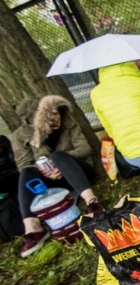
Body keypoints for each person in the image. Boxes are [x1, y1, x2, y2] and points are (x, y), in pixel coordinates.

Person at [11, 96, 104, 258]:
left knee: (58, 156)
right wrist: (43, 167)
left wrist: (58, 160)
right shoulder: (20, 135)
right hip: (51, 181)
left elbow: (84, 148)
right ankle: (33, 228)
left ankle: (93, 204)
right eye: (48, 116)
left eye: (55, 113)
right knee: (27, 173)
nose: (55, 118)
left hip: (79, 171)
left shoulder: (69, 122)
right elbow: (23, 164)